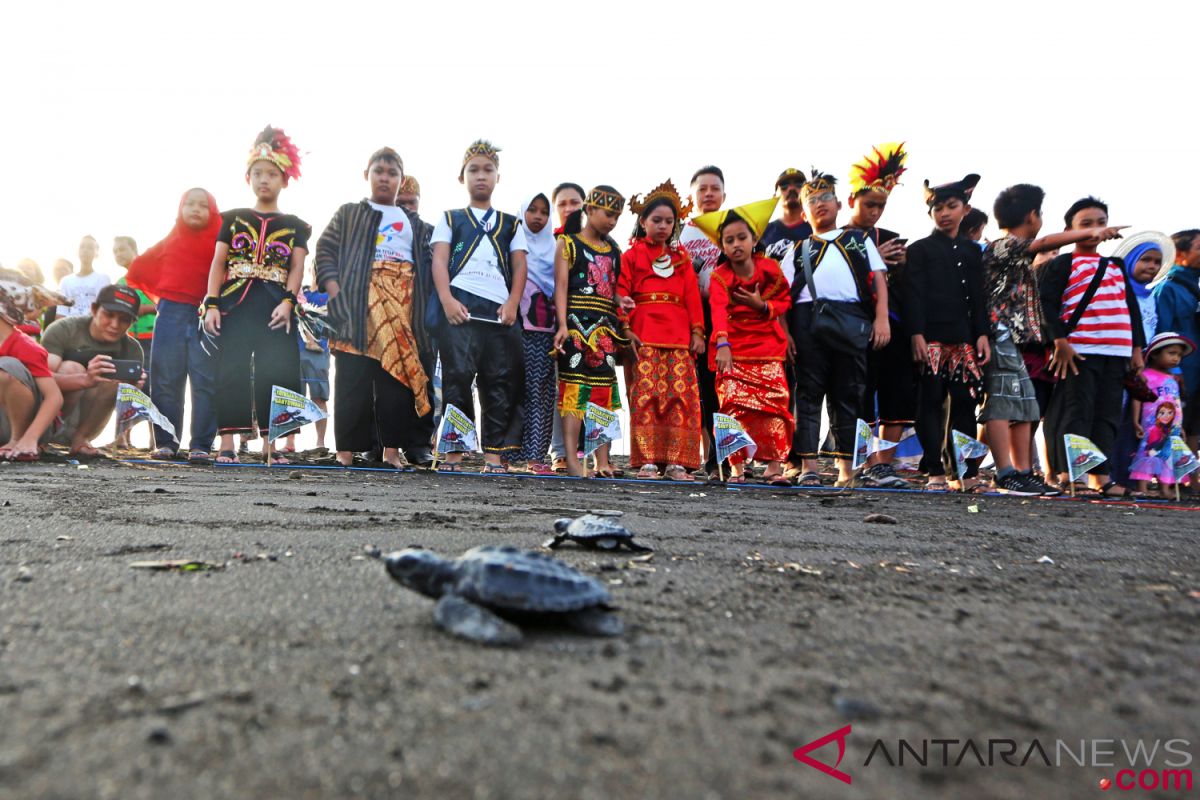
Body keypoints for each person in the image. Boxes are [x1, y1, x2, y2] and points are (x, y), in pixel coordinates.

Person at [981, 184, 1120, 495]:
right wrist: (1094, 231)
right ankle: (1004, 472)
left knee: (1026, 405)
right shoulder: (1002, 245)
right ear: (1033, 215)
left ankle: (1023, 471)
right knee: (1002, 403)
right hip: (999, 332)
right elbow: (1043, 242)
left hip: (1015, 339)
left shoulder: (1011, 250)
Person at [316, 147, 434, 469]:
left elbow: (431, 266)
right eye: (379, 171)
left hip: (402, 307)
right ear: (366, 174)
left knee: (395, 380)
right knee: (351, 378)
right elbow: (324, 250)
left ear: (401, 178)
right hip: (354, 305)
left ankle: (391, 453)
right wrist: (336, 292)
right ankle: (345, 454)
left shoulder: (416, 224)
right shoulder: (349, 213)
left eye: (392, 172)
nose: (385, 177)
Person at [202, 126, 309, 465]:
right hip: (235, 303)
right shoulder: (232, 219)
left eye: (272, 174)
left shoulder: (296, 224)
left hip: (275, 305)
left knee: (275, 371)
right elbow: (219, 262)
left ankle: (271, 444)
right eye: (258, 173)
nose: (265, 180)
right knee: (230, 369)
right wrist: (212, 303)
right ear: (248, 177)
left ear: (285, 180)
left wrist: (289, 302)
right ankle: (228, 442)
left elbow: (297, 267)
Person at [430, 140, 529, 473]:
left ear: (498, 176)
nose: (481, 176)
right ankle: (454, 455)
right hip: (460, 305)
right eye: (474, 170)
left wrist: (514, 301)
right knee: (457, 378)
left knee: (499, 380)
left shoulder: (511, 223)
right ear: (463, 177)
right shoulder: (450, 218)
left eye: (488, 169)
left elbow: (519, 266)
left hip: (499, 310)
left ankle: (493, 457)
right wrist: (446, 300)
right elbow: (440, 261)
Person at [789, 169, 889, 487]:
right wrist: (787, 334)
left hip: (852, 320)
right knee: (807, 396)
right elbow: (781, 297)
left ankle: (847, 471)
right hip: (807, 324)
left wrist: (882, 318)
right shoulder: (798, 249)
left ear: (838, 204)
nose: (820, 204)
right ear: (804, 212)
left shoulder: (859, 240)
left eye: (826, 198)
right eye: (813, 201)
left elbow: (879, 281)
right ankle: (809, 468)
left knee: (849, 395)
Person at [1041, 196, 1138, 495]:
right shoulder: (1061, 263)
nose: (1095, 230)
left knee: (1107, 414)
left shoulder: (1116, 265)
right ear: (1070, 229)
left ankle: (1101, 476)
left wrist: (1136, 349)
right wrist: (1059, 341)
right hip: (1079, 349)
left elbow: (1130, 307)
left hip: (1117, 350)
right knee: (1076, 411)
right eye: (1086, 224)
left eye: (1100, 223)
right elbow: (1045, 304)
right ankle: (1073, 475)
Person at [694, 198, 793, 484]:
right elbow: (718, 311)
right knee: (732, 406)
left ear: (753, 240)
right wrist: (722, 344)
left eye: (741, 238)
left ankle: (774, 467)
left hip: (767, 346)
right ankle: (737, 469)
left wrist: (763, 305)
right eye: (729, 240)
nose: (736, 244)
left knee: (775, 405)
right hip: (733, 348)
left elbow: (784, 300)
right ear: (722, 246)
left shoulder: (771, 269)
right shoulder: (719, 276)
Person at [905, 174, 991, 492]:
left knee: (965, 405)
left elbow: (979, 299)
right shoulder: (920, 250)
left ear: (965, 209)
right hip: (931, 339)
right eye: (938, 208)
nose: (944, 213)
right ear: (930, 213)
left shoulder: (973, 252)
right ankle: (935, 472)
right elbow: (913, 295)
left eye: (951, 206)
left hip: (964, 340)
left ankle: (965, 473)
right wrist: (916, 334)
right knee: (930, 402)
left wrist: (982, 334)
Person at [126, 188, 222, 463]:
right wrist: (159, 294)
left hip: (207, 313)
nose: (195, 209)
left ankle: (201, 445)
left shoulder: (220, 242)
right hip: (169, 313)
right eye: (189, 204)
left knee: (206, 380)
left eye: (203, 206)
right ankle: (166, 441)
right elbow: (139, 268)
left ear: (213, 211)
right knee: (165, 380)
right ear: (180, 209)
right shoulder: (169, 242)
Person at [617, 180, 704, 481]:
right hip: (644, 336)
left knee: (681, 399)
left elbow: (693, 297)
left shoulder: (683, 260)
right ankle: (647, 461)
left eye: (669, 221)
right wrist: (625, 328)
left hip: (679, 337)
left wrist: (698, 332)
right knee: (646, 397)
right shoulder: (630, 256)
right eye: (657, 220)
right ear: (642, 222)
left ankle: (678, 462)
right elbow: (621, 292)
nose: (663, 226)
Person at [845, 143, 913, 488]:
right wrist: (873, 260)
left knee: (896, 393)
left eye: (881, 205)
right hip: (857, 325)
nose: (876, 211)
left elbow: (902, 287)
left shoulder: (890, 238)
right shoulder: (840, 238)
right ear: (851, 201)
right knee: (861, 393)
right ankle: (867, 461)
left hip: (895, 326)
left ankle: (885, 463)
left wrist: (898, 266)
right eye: (870, 204)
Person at [553, 186, 626, 478]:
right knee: (574, 391)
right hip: (575, 326)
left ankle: (602, 461)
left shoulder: (615, 250)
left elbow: (613, 289)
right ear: (590, 210)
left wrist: (622, 301)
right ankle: (572, 460)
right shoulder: (567, 243)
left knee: (603, 392)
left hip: (605, 328)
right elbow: (559, 287)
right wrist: (561, 325)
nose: (612, 221)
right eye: (608, 214)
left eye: (617, 217)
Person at [42, 285, 143, 457]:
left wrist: (134, 390)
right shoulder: (64, 329)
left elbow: (128, 408)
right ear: (94, 309)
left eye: (124, 319)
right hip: (52, 414)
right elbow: (40, 378)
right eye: (109, 315)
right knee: (71, 368)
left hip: (90, 420)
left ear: (132, 322)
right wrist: (85, 378)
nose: (114, 325)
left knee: (118, 380)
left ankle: (81, 439)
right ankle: (44, 436)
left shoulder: (132, 348)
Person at [679, 165, 727, 478]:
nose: (708, 194)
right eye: (702, 189)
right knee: (692, 387)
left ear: (724, 194)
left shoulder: (732, 227)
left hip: (723, 316)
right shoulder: (679, 229)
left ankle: (720, 457)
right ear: (692, 195)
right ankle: (695, 455)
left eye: (714, 188)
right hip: (686, 317)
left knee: (719, 387)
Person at [516, 193, 559, 475]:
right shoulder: (513, 244)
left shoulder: (555, 248)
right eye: (531, 210)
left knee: (541, 392)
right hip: (514, 328)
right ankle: (505, 453)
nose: (538, 216)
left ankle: (536, 456)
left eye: (544, 212)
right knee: (511, 390)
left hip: (545, 332)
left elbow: (560, 288)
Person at [547, 182, 587, 470]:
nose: (569, 208)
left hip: (593, 326)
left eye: (575, 202)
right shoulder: (548, 241)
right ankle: (560, 452)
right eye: (563, 203)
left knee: (592, 387)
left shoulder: (602, 243)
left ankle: (591, 451)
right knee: (560, 388)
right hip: (556, 324)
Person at [0, 294, 63, 461]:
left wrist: (31, 437)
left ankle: (19, 440)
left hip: (31, 426)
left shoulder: (25, 346)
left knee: (7, 366)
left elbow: (54, 397)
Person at [1129, 332, 1191, 496]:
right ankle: (1142, 487)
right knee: (1148, 452)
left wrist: (1180, 426)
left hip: (1172, 427)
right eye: (1171, 353)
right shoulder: (1146, 377)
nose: (1176, 358)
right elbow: (1137, 398)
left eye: (1178, 355)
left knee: (1168, 454)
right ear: (1155, 354)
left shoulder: (1173, 379)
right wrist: (1135, 421)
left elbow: (1176, 404)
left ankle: (1165, 488)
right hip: (1152, 425)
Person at [1154, 229, 1200, 449]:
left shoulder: (1195, 288)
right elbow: (1161, 333)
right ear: (1179, 254)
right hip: (1180, 373)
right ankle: (1169, 480)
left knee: (1194, 425)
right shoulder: (1167, 288)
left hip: (1197, 371)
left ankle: (1192, 479)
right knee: (1174, 423)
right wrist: (1174, 371)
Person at [283, 286, 330, 454]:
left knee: (319, 397)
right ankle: (290, 441)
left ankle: (320, 442)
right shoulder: (295, 292)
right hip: (294, 350)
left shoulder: (328, 295)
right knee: (293, 397)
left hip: (319, 351)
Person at [760, 168, 812, 284]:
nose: (791, 189)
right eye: (784, 186)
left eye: (799, 185)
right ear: (774, 196)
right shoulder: (761, 232)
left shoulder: (817, 229)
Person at [113, 237, 156, 354]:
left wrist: (146, 309)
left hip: (156, 337)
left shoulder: (154, 273)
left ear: (135, 250)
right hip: (131, 340)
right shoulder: (120, 282)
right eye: (115, 251)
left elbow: (170, 304)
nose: (118, 254)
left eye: (121, 249)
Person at [57, 236, 110, 317]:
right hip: (70, 327)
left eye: (90, 247)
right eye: (82, 247)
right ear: (77, 251)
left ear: (96, 253)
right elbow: (61, 312)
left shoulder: (103, 279)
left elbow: (103, 309)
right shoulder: (65, 281)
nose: (85, 250)